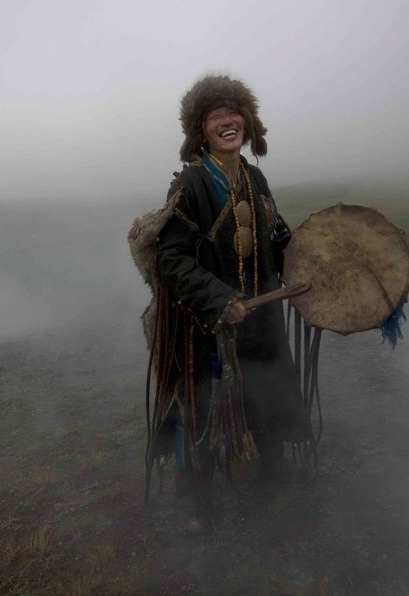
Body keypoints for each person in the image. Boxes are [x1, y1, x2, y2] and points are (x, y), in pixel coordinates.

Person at [132, 74, 307, 535]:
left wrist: (300, 258)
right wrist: (219, 300)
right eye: (216, 116)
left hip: (262, 316)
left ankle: (271, 468)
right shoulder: (189, 184)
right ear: (201, 128)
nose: (228, 122)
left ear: (247, 122)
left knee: (265, 393)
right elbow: (171, 259)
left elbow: (275, 237)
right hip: (206, 325)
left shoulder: (255, 176)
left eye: (235, 114)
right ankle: (194, 501)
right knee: (201, 411)